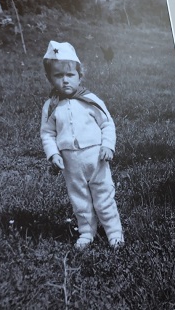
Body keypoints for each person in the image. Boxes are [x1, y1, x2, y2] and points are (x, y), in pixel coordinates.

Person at [40, 40, 124, 249]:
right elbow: (47, 133)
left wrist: (108, 146)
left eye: (70, 75)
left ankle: (114, 232)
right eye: (58, 75)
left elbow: (107, 123)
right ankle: (86, 232)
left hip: (96, 158)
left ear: (80, 76)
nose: (65, 80)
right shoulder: (51, 106)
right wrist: (53, 154)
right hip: (71, 163)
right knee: (79, 199)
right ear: (49, 78)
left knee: (104, 195)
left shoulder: (90, 100)